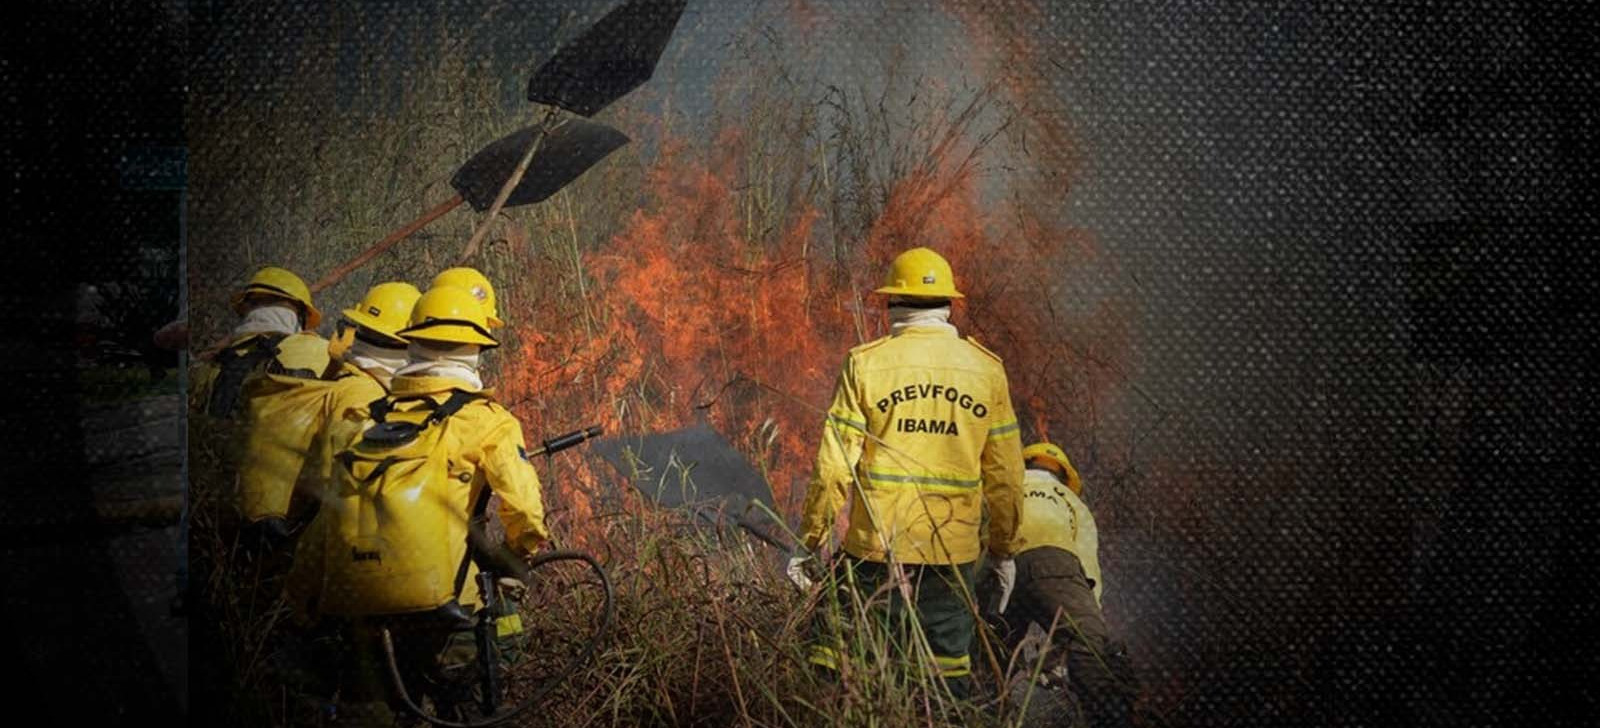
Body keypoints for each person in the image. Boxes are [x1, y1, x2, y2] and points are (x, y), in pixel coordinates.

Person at [300, 282, 549, 722]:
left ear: (411, 342)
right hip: (449, 612)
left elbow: (326, 520)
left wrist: (304, 602)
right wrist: (513, 559)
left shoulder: (364, 419)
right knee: (466, 712)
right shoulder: (486, 421)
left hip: (360, 609)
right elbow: (526, 514)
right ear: (476, 349)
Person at [790, 247, 1024, 698]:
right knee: (944, 682)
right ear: (949, 305)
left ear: (892, 302)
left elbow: (834, 468)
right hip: (951, 558)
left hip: (874, 553)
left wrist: (810, 541)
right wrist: (1003, 551)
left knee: (837, 667)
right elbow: (1007, 478)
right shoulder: (987, 370)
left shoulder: (865, 363)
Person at [238, 281, 420, 557]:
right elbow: (339, 487)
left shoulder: (335, 372)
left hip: (259, 527)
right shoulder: (363, 395)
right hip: (294, 543)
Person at [984, 442, 1137, 727]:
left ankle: (980, 714)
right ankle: (1110, 721)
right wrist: (1087, 622)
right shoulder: (1072, 502)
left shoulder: (1006, 486)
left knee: (993, 651)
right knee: (1089, 645)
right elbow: (1087, 565)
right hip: (1055, 564)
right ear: (1064, 476)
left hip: (1000, 564)